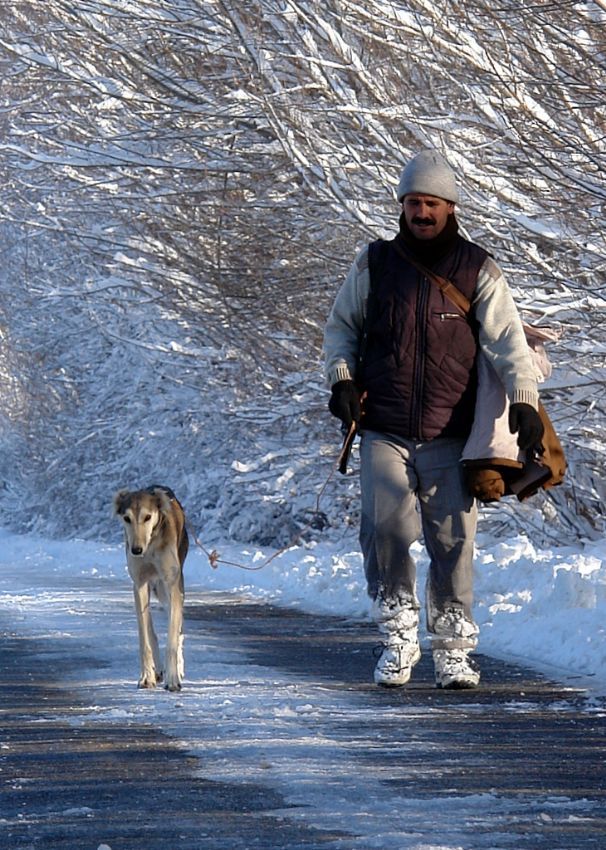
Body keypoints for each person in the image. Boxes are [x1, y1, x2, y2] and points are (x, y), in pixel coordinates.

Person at [323, 150, 544, 689]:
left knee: (452, 541)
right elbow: (340, 328)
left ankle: (452, 649)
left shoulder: (477, 269)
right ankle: (398, 638)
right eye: (413, 202)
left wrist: (524, 402)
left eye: (431, 203)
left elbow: (509, 342)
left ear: (450, 208)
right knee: (385, 530)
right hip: (384, 427)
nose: (421, 212)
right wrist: (342, 380)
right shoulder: (375, 263)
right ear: (402, 206)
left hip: (452, 432)